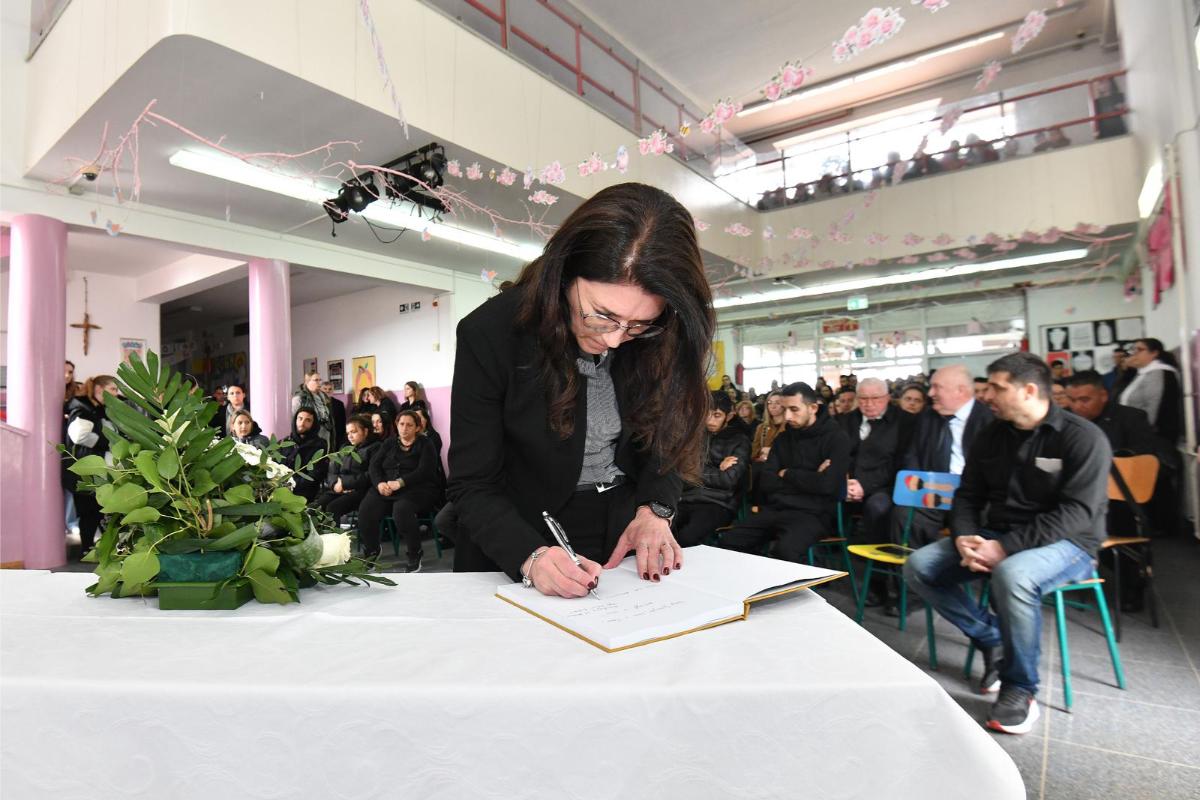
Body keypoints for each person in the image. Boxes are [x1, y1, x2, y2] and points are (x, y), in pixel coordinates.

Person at [447, 182, 714, 596]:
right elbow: (472, 483)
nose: (615, 339)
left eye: (638, 325)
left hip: (620, 531)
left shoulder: (660, 335)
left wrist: (655, 510)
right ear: (564, 273)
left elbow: (667, 439)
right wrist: (529, 556)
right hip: (520, 532)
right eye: (601, 316)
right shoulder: (492, 333)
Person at [904, 353, 1110, 735]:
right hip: (998, 532)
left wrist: (1004, 548)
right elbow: (968, 494)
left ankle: (1020, 687)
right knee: (919, 567)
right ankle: (993, 639)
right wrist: (964, 536)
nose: (987, 396)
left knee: (1013, 575)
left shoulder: (1081, 437)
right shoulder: (992, 435)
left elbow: (1078, 512)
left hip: (1070, 543)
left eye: (997, 388)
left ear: (1028, 390)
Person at [719, 382, 850, 562]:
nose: (787, 416)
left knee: (785, 551)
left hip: (814, 514)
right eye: (784, 409)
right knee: (729, 542)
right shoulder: (783, 439)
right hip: (776, 508)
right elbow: (767, 481)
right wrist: (813, 477)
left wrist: (787, 474)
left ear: (813, 408)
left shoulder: (837, 438)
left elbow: (828, 485)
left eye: (794, 409)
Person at [1065, 370, 1159, 611]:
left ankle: (1133, 586)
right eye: (1072, 400)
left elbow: (1144, 458)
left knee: (1122, 520)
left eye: (1084, 400)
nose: (1077, 406)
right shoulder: (1066, 421)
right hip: (1077, 497)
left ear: (1103, 395)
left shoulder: (1131, 418)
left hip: (1120, 500)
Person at [895, 363, 994, 550]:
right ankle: (910, 568)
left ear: (960, 390)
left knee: (977, 520)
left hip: (973, 497)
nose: (930, 393)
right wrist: (917, 488)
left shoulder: (989, 420)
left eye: (936, 387)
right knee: (904, 514)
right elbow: (912, 456)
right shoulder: (927, 417)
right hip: (932, 492)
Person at [840, 378, 916, 606]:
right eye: (863, 398)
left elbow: (899, 463)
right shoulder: (846, 421)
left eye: (875, 398)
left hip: (887, 486)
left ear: (887, 398)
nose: (869, 403)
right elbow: (838, 455)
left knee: (878, 508)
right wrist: (845, 482)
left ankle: (880, 582)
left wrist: (865, 485)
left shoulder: (905, 422)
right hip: (848, 485)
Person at [358, 410, 440, 570]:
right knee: (366, 511)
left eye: (409, 425)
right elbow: (374, 466)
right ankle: (372, 550)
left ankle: (415, 552)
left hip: (417, 489)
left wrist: (401, 482)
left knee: (401, 511)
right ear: (396, 425)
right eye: (401, 424)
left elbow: (425, 471)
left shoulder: (426, 444)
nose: (404, 428)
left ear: (417, 427)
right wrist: (380, 484)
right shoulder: (389, 443)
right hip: (386, 487)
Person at [1119, 337, 1184, 536]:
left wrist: (1141, 433)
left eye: (1139, 350)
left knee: (1157, 481)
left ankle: (1163, 525)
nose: (1134, 354)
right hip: (1138, 434)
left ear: (1154, 353)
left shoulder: (1159, 373)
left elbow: (1153, 408)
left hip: (1152, 436)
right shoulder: (1141, 374)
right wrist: (1127, 370)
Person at [675, 392, 750, 547]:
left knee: (686, 538)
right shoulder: (696, 436)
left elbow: (728, 480)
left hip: (718, 504)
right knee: (661, 531)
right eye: (707, 414)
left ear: (729, 416)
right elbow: (680, 472)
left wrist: (694, 471)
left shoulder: (739, 440)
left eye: (717, 415)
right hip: (687, 498)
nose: (710, 420)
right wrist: (717, 470)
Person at [65, 375, 119, 555]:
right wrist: (108, 442)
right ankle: (87, 550)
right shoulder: (83, 409)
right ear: (99, 389)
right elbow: (79, 435)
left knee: (100, 512)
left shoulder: (97, 409)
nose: (116, 393)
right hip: (85, 472)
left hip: (96, 470)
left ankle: (101, 550)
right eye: (112, 389)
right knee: (90, 513)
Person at [315, 415, 381, 524]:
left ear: (365, 431)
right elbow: (332, 470)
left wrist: (345, 483)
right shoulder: (344, 448)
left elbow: (371, 474)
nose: (350, 436)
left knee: (332, 508)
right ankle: (319, 534)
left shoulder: (375, 447)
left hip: (361, 491)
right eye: (348, 433)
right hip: (340, 489)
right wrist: (335, 484)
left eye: (353, 432)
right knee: (317, 506)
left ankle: (334, 535)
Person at [283, 408, 329, 503]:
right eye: (300, 418)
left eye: (308, 420)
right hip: (281, 488)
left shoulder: (319, 445)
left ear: (313, 424)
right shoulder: (284, 442)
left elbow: (314, 475)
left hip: (304, 492)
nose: (302, 423)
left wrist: (292, 484)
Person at [291, 371, 334, 451]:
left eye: (320, 380)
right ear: (307, 382)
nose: (319, 383)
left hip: (325, 433)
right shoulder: (299, 398)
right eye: (316, 380)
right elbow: (295, 420)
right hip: (309, 436)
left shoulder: (323, 396)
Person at [321, 380, 348, 449]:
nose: (327, 391)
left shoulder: (339, 404)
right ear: (321, 390)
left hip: (336, 435)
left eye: (330, 389)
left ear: (333, 390)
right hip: (321, 435)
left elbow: (343, 421)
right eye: (325, 389)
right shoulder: (317, 403)